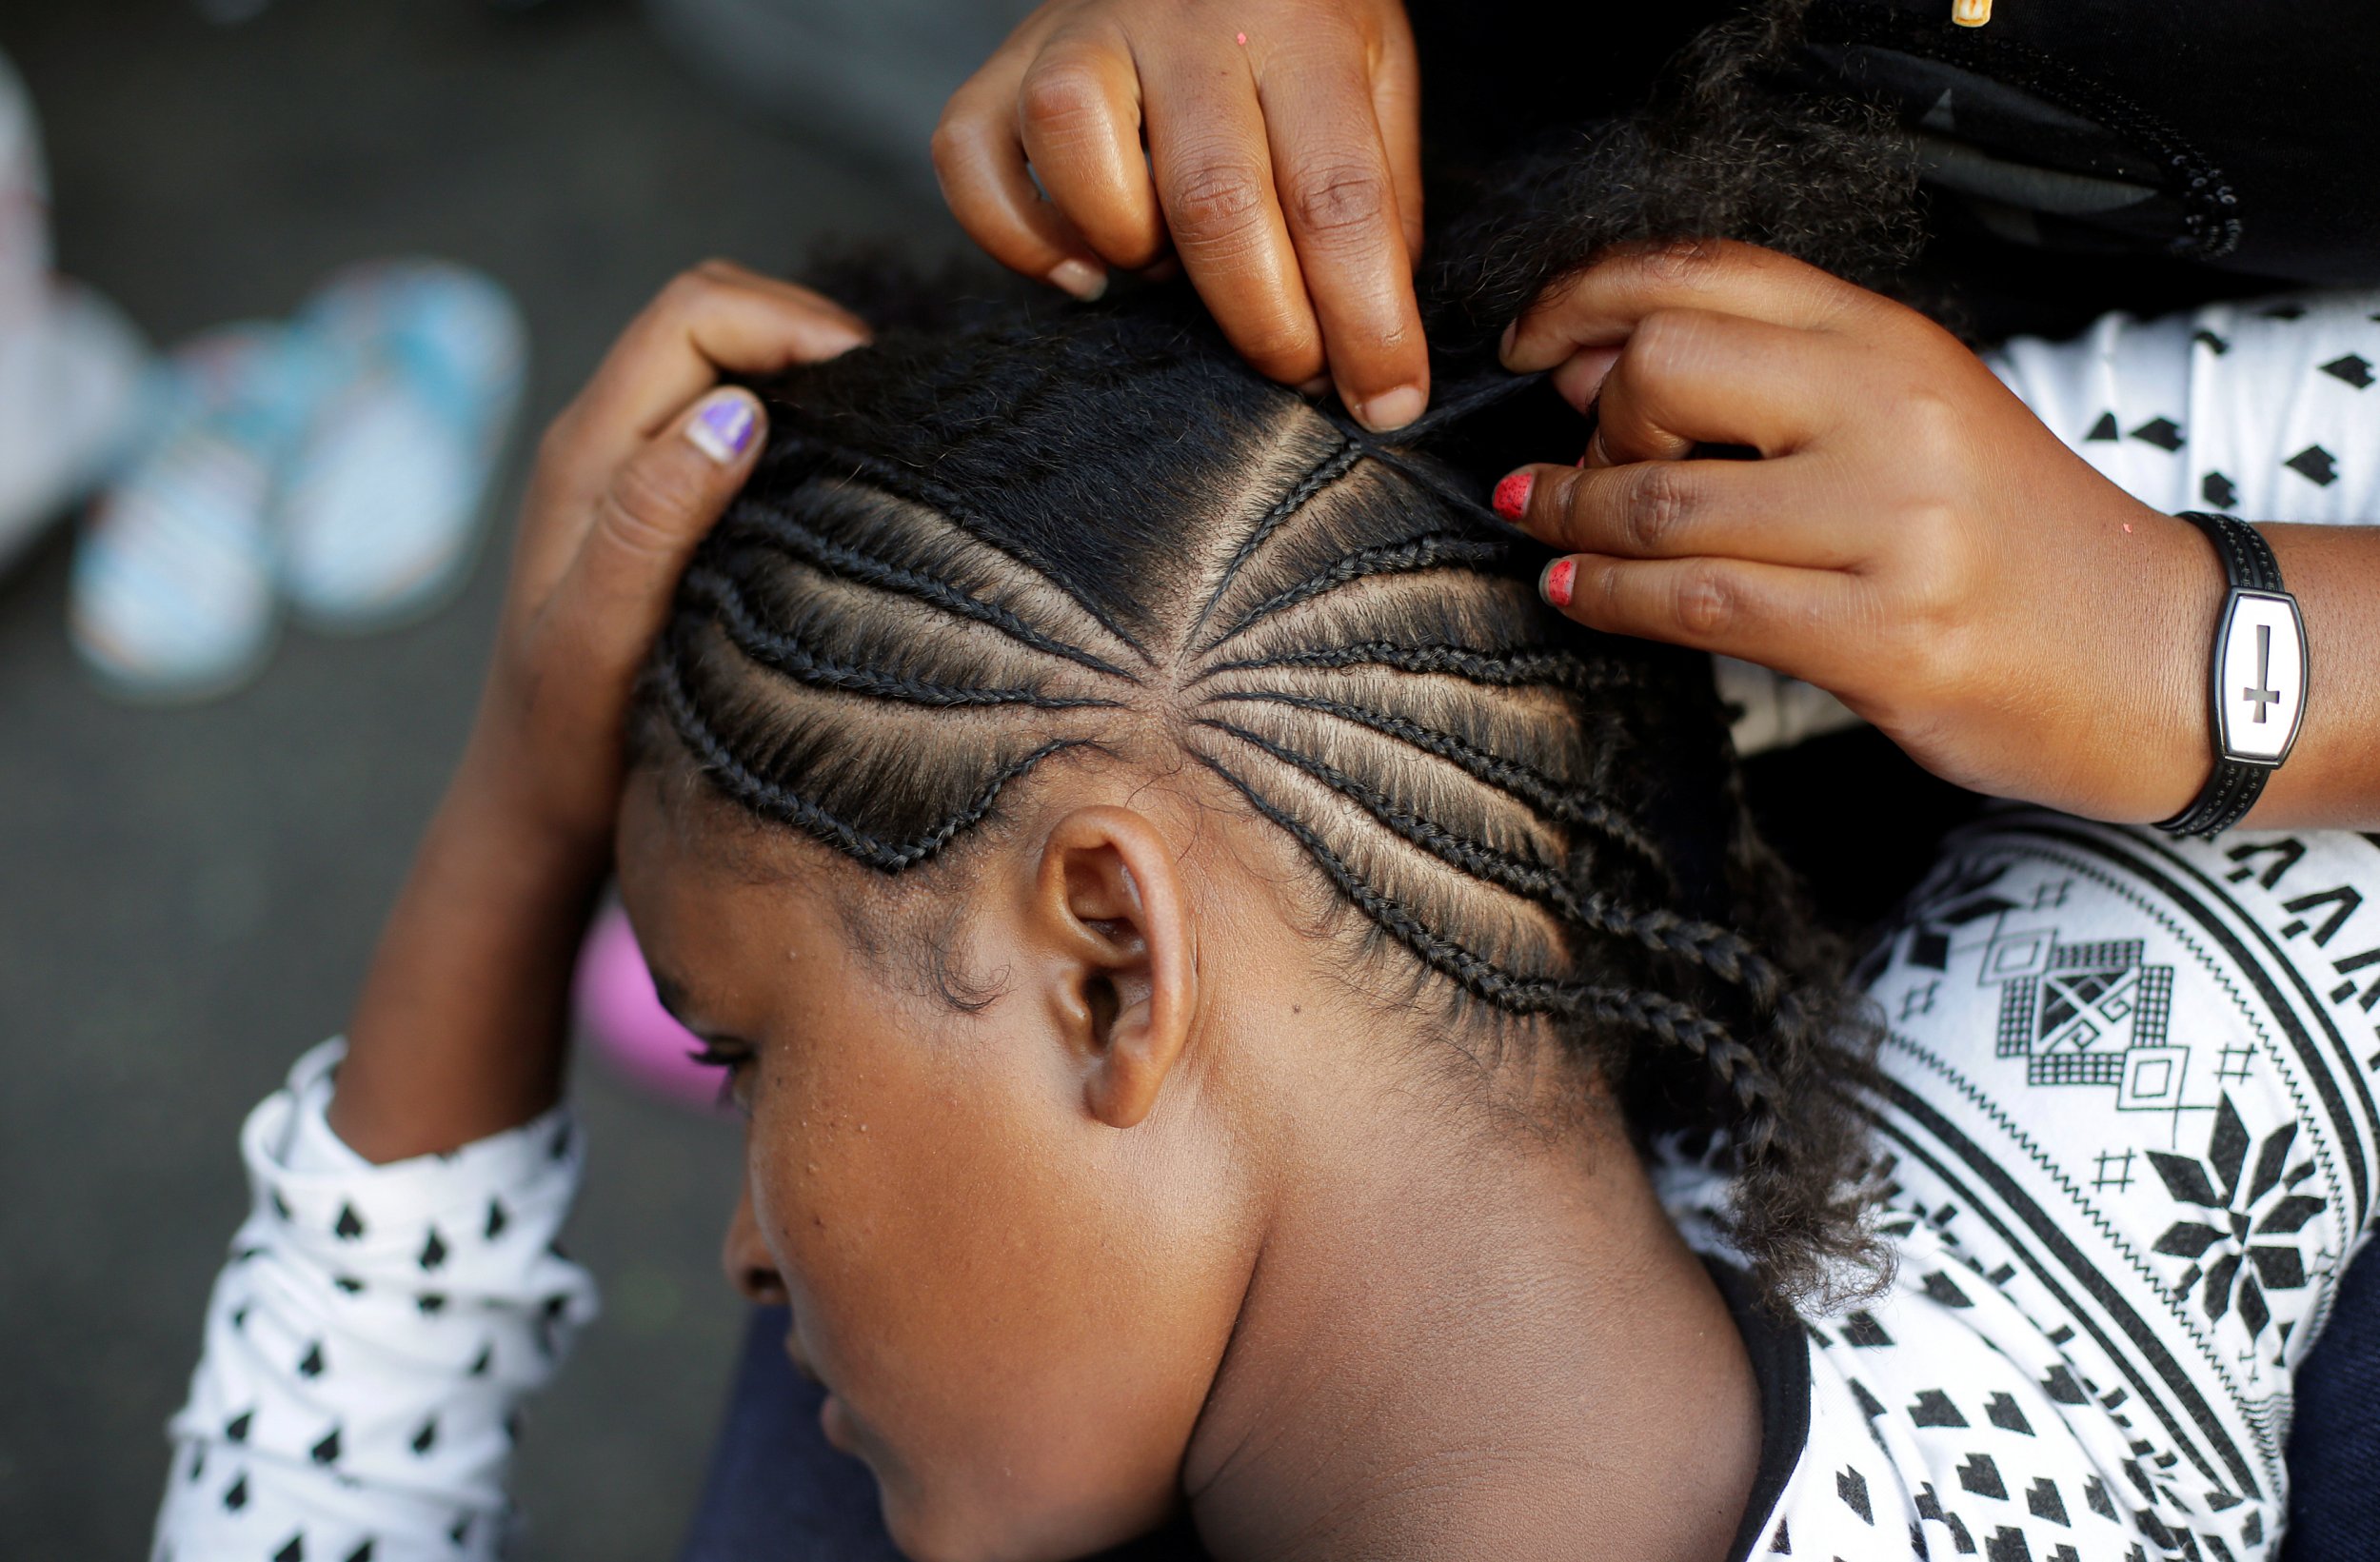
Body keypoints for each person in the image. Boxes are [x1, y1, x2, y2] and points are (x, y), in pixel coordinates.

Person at [149, 129, 2380, 1562]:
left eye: (742, 1058)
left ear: (1117, 957)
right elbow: (2274, 460)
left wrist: (511, 821)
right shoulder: (2064, 1247)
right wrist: (2203, 655)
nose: (744, 1248)